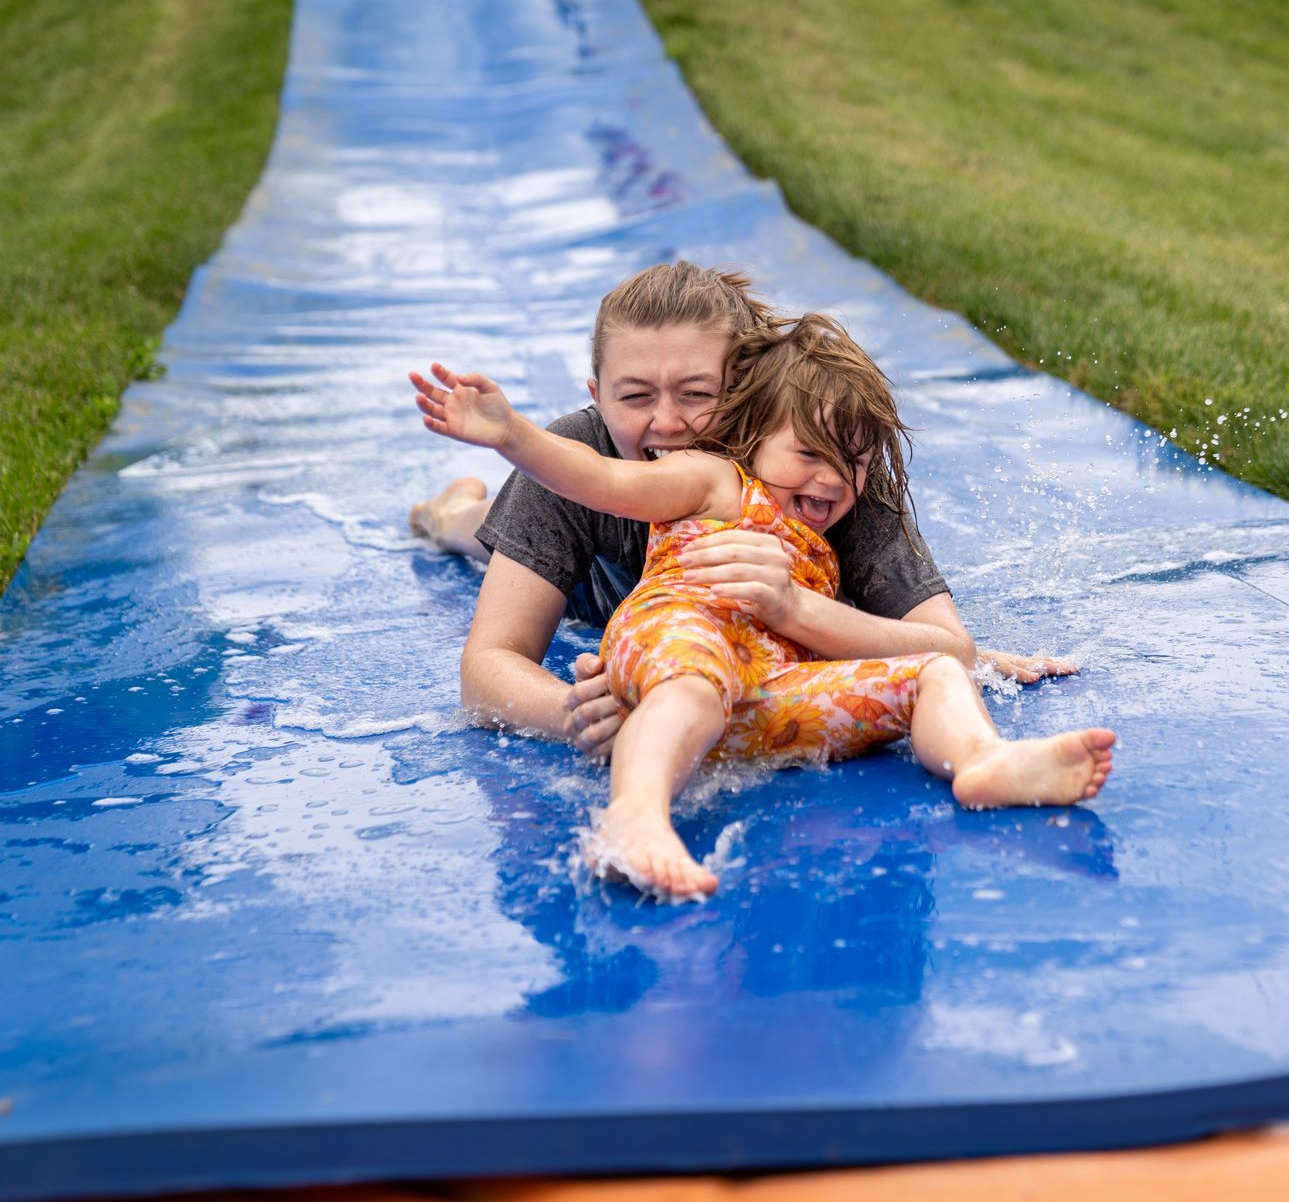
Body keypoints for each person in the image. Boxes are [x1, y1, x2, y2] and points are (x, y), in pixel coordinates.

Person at [410, 314, 1115, 898]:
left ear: (730, 403)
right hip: (678, 639)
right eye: (808, 453)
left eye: (850, 464)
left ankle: (983, 763)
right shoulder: (713, 478)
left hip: (759, 692)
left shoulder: (839, 502)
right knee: (680, 674)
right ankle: (632, 816)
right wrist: (513, 436)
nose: (830, 477)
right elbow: (600, 481)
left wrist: (933, 651)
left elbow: (936, 645)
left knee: (935, 674)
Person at [407, 262, 1074, 763]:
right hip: (592, 589)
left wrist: (809, 612)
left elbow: (941, 643)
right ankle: (455, 508)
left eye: (697, 393)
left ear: (749, 391)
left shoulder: (824, 470)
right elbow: (488, 665)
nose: (666, 423)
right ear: (597, 394)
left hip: (730, 634)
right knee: (474, 531)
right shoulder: (573, 457)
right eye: (634, 396)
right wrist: (576, 711)